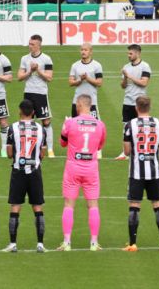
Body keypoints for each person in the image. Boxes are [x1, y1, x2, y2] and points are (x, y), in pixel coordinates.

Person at [56, 94, 107, 252]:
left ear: (79, 105)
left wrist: (65, 128)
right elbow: (99, 146)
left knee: (69, 204)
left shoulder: (70, 123)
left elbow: (62, 143)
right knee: (93, 205)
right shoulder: (100, 125)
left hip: (73, 167)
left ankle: (67, 242)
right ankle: (93, 243)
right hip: (91, 168)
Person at [122, 96, 159, 252]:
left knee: (134, 205)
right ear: (149, 107)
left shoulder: (130, 125)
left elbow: (127, 151)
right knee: (158, 204)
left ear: (136, 108)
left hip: (136, 172)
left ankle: (133, 244)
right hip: (154, 171)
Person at [3, 99, 46, 253]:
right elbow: (42, 153)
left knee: (15, 206)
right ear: (33, 112)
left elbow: (9, 153)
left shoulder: (12, 128)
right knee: (37, 207)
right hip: (35, 172)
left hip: (18, 171)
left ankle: (13, 243)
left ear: (20, 111)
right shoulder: (41, 129)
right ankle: (40, 243)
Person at [17, 34, 55, 158]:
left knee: (46, 121)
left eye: (32, 44)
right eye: (29, 44)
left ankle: (50, 150)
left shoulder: (46, 59)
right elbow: (19, 77)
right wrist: (30, 71)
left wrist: (38, 70)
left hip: (41, 93)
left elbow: (49, 78)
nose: (30, 46)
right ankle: (28, 147)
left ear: (39, 45)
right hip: (28, 93)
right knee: (27, 121)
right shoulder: (24, 59)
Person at [115, 45, 152, 160]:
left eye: (130, 53)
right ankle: (125, 153)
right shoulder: (126, 67)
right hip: (127, 101)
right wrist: (125, 78)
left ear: (137, 53)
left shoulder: (145, 66)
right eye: (128, 53)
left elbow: (144, 83)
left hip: (140, 103)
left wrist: (129, 76)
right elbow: (123, 86)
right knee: (126, 128)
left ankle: (142, 150)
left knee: (141, 127)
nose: (128, 55)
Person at [68, 42, 104, 125]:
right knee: (75, 126)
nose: (83, 52)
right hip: (77, 102)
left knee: (94, 125)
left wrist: (87, 78)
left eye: (85, 50)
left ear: (91, 52)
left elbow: (99, 82)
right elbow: (70, 82)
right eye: (81, 50)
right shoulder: (75, 65)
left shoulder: (97, 65)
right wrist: (80, 79)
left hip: (91, 102)